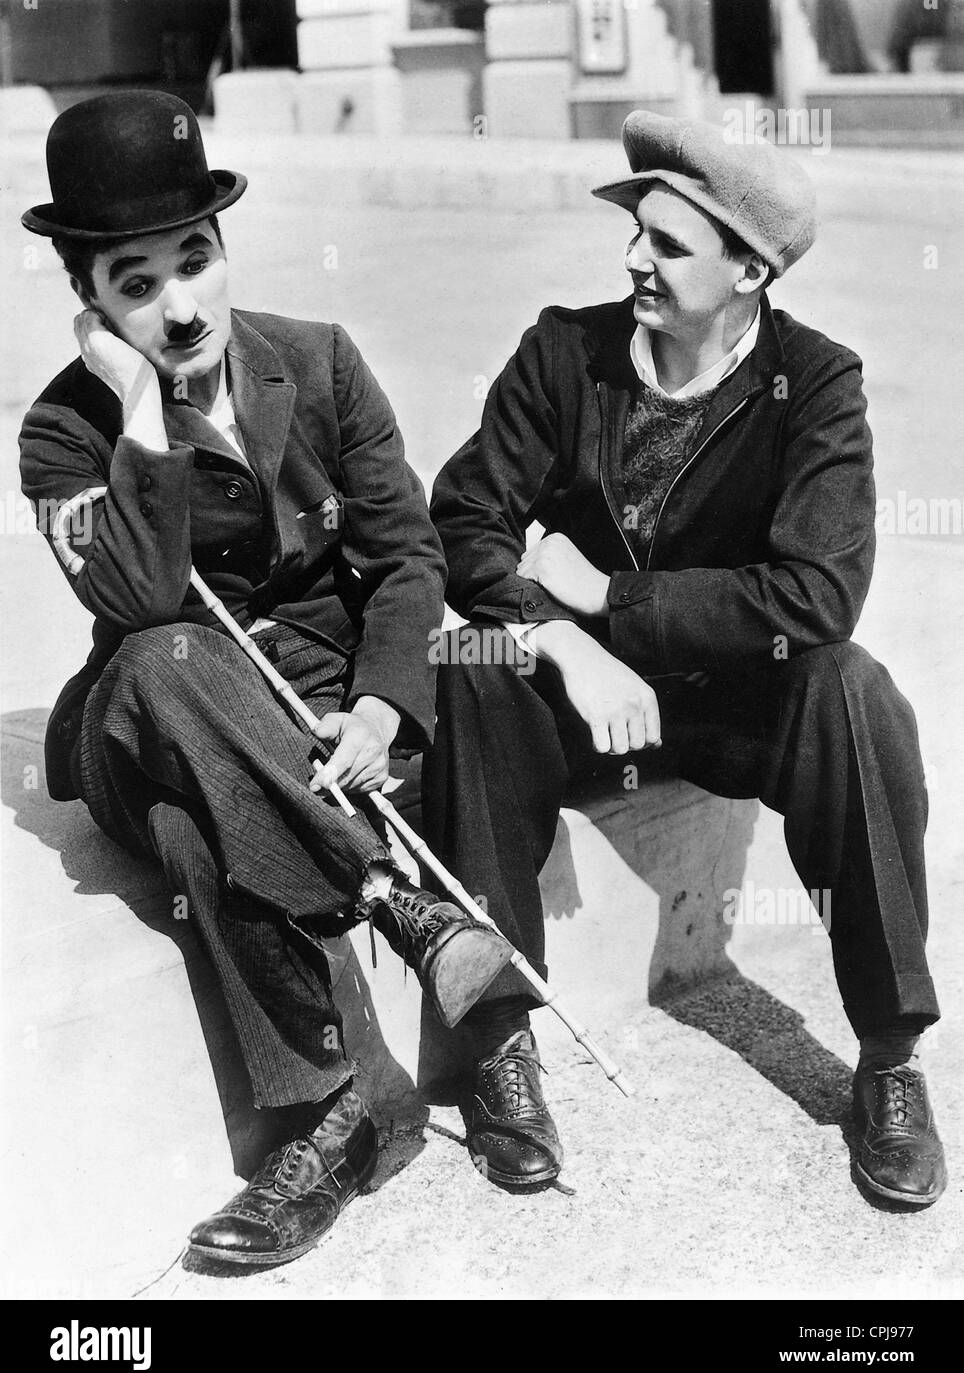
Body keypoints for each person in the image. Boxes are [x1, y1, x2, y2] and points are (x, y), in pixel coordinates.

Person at [19, 90, 512, 1269]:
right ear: (91, 302)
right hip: (151, 718)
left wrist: (381, 702)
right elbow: (142, 602)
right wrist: (144, 412)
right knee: (166, 656)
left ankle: (329, 1120)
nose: (182, 305)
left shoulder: (319, 361)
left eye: (195, 260)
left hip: (312, 714)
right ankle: (394, 897)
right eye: (137, 283)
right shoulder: (61, 435)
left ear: (224, 246)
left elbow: (408, 555)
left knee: (204, 833)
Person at [424, 110, 947, 1207]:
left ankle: (890, 1057)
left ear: (750, 271)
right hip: (579, 707)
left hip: (727, 706)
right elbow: (463, 517)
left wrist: (612, 597)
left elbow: (817, 595)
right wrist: (564, 639)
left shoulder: (816, 384)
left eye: (666, 244)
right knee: (473, 660)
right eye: (635, 233)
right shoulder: (564, 354)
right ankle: (501, 1044)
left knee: (853, 690)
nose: (633, 260)